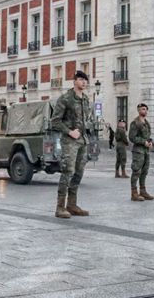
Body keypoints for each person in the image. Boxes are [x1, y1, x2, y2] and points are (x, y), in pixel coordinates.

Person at [50, 70, 94, 218]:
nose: (84, 82)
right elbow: (55, 121)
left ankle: (72, 204)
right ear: (74, 81)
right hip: (70, 141)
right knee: (68, 171)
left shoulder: (86, 99)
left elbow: (86, 119)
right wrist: (69, 132)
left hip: (82, 140)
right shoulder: (66, 99)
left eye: (85, 80)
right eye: (81, 79)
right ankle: (60, 207)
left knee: (78, 172)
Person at [128, 103, 154, 201]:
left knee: (144, 171)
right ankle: (134, 193)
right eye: (143, 109)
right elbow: (132, 137)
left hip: (146, 151)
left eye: (146, 109)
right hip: (138, 151)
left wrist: (150, 142)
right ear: (139, 110)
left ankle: (143, 191)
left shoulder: (146, 123)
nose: (145, 111)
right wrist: (144, 142)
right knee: (136, 171)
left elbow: (147, 136)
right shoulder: (135, 123)